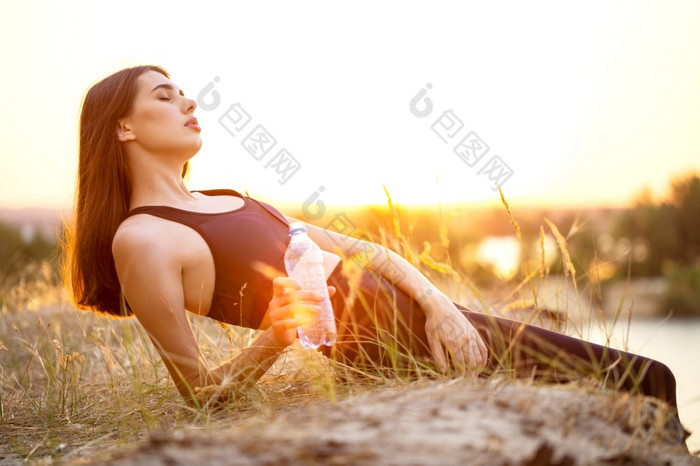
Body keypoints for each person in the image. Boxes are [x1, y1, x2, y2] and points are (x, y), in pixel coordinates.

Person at [63, 66, 687, 441]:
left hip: (431, 323)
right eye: (166, 96)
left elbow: (371, 254)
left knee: (652, 381)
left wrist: (443, 307)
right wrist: (276, 337)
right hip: (389, 351)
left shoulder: (228, 195)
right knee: (649, 383)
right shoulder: (141, 239)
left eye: (184, 93)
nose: (189, 102)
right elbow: (200, 397)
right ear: (123, 127)